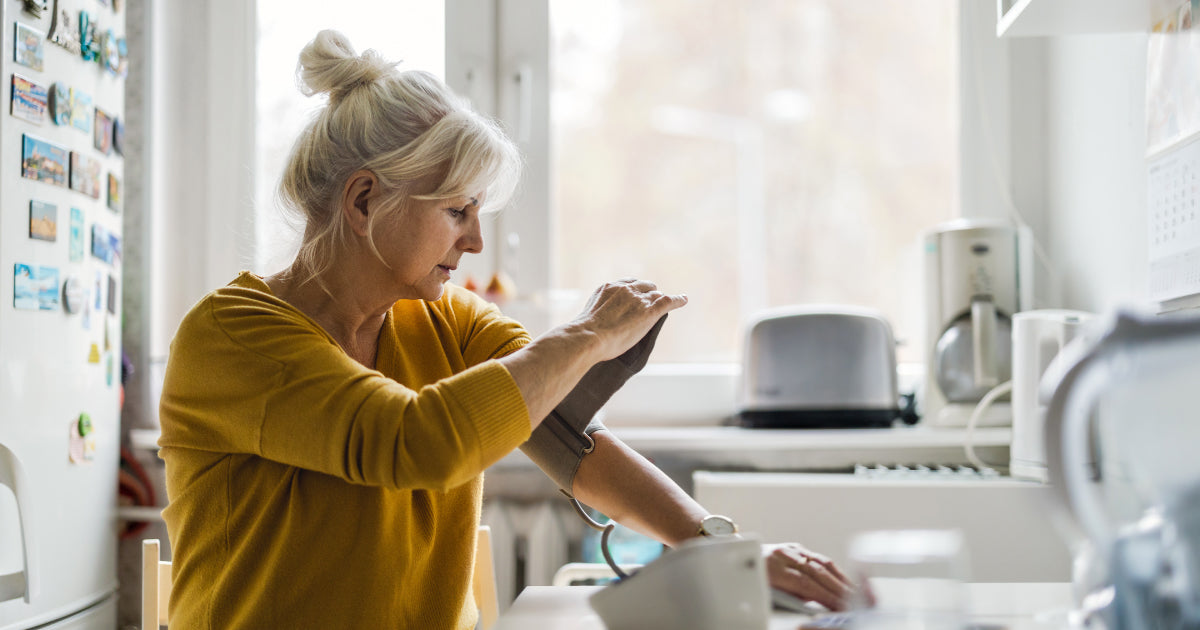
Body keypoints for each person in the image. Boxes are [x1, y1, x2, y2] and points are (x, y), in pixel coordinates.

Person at [158, 29, 854, 629]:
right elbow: (413, 444)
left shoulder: (443, 318)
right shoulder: (232, 338)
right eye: (458, 211)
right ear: (365, 199)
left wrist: (714, 547)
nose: (476, 243)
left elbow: (561, 431)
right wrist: (584, 337)